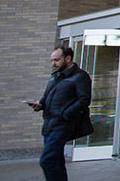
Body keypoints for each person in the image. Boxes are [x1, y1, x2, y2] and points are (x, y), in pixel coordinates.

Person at [28, 46, 92, 181]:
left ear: (68, 58)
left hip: (63, 124)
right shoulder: (55, 77)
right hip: (49, 124)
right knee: (56, 160)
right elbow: (46, 97)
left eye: (57, 60)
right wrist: (39, 104)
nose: (54, 64)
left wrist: (65, 114)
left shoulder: (80, 76)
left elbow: (84, 100)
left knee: (47, 160)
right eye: (52, 60)